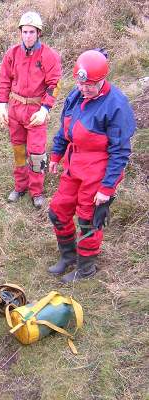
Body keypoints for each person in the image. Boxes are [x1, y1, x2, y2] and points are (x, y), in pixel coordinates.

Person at [47, 49, 136, 283]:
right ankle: (68, 256)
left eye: (91, 85)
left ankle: (86, 268)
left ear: (103, 80)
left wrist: (107, 188)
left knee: (88, 220)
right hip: (73, 164)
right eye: (81, 83)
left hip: (97, 171)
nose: (85, 89)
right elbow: (64, 130)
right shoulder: (75, 96)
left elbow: (120, 151)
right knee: (57, 210)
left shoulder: (116, 105)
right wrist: (56, 154)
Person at [0, 11, 62, 209]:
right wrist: (2, 105)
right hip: (15, 109)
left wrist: (44, 109)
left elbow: (54, 84)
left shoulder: (48, 56)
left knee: (36, 154)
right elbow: (4, 79)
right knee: (18, 151)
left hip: (35, 111)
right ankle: (20, 186)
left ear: (39, 33)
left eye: (31, 32)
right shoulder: (13, 53)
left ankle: (37, 191)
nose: (27, 36)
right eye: (24, 32)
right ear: (20, 32)